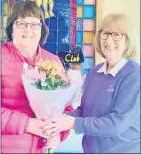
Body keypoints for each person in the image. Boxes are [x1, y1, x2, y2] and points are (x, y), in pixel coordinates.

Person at [41, 13, 140, 153]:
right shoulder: (94, 72)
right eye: (105, 33)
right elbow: (84, 111)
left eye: (117, 35)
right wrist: (57, 122)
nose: (109, 40)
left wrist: (73, 123)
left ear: (128, 40)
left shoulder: (134, 74)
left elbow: (117, 123)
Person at [1, 0, 73, 153]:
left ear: (42, 29)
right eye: (21, 23)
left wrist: (59, 133)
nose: (29, 29)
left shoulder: (53, 61)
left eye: (35, 24)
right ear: (11, 28)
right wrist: (28, 124)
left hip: (41, 148)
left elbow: (66, 107)